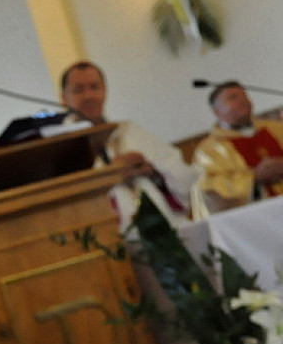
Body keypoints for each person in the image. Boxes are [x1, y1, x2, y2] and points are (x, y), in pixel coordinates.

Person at [60, 60, 195, 230]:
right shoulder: (59, 146)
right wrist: (110, 175)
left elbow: (183, 175)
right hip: (111, 239)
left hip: (165, 231)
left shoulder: (129, 131)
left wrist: (152, 171)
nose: (89, 96)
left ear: (105, 91)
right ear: (64, 98)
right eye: (79, 90)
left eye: (95, 87)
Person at [191, 80, 283, 216]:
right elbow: (211, 191)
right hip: (257, 219)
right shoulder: (208, 151)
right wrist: (255, 178)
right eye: (233, 97)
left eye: (244, 96)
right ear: (217, 112)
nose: (243, 100)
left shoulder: (277, 128)